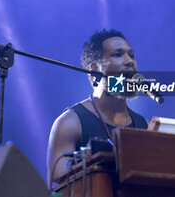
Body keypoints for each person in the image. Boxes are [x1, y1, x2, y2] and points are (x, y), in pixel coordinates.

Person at [46, 29, 148, 187]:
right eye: (117, 54)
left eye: (132, 55)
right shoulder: (69, 123)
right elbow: (58, 187)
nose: (130, 61)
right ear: (94, 70)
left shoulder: (144, 125)